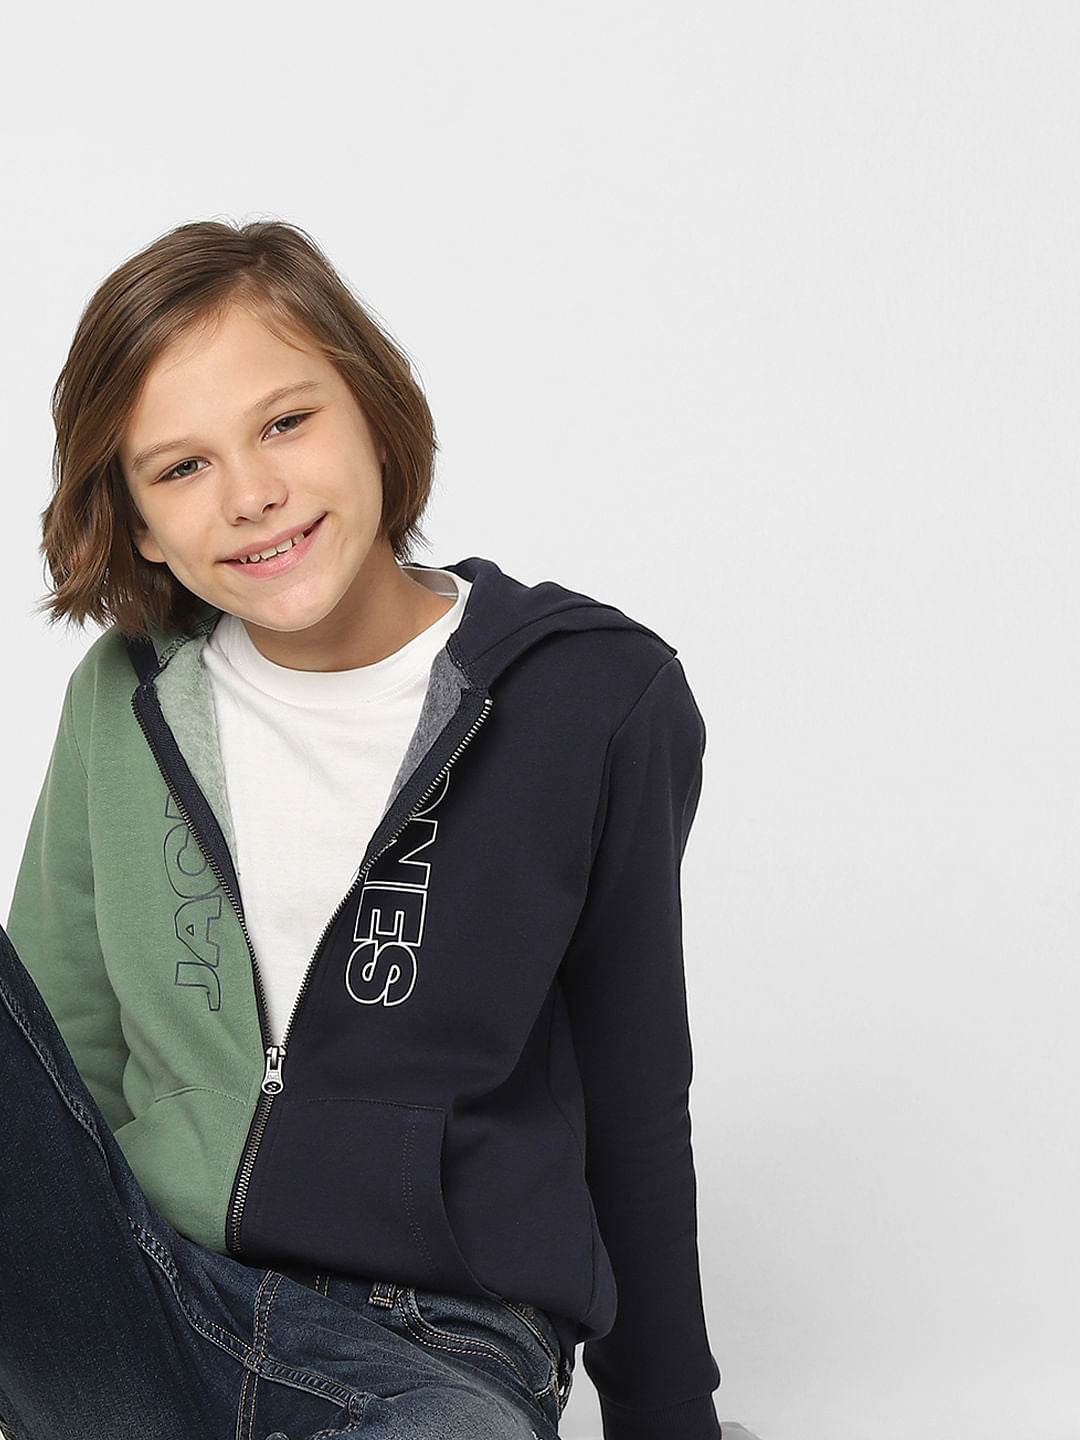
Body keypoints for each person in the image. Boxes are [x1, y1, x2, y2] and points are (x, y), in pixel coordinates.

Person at [0, 219, 722, 1439]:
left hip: (438, 1347)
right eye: (180, 468)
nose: (251, 495)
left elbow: (634, 1092)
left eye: (286, 422)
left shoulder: (593, 698)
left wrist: (669, 1417)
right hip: (152, 1296)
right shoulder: (123, 695)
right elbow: (50, 1063)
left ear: (375, 415)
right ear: (136, 524)